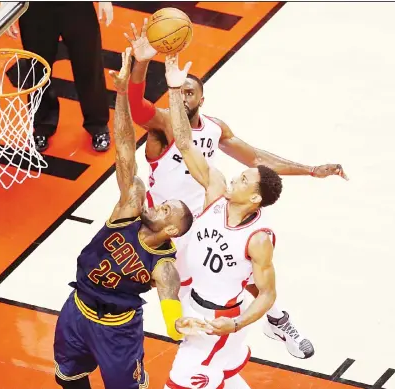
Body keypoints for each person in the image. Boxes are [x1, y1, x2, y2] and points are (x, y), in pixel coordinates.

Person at [125, 19, 348, 359]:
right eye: (179, 89)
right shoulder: (164, 123)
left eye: (190, 91)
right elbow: (136, 107)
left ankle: (276, 319)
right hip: (166, 223)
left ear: (202, 97)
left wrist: (309, 170)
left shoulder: (215, 128)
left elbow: (255, 158)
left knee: (241, 268)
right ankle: (194, 345)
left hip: (203, 215)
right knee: (181, 289)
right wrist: (141, 63)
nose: (184, 95)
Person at [53, 48, 208, 389]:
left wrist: (178, 325)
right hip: (77, 308)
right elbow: (124, 145)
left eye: (167, 209)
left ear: (170, 230)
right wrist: (121, 92)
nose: (159, 204)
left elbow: (170, 304)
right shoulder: (129, 208)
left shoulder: (163, 265)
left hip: (117, 331)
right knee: (68, 377)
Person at [164, 53, 282, 389]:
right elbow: (185, 142)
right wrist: (174, 90)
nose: (236, 179)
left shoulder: (258, 238)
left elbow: (267, 294)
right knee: (218, 379)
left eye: (245, 180)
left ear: (256, 198)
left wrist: (238, 323)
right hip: (194, 304)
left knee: (179, 381)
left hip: (221, 318)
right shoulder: (216, 190)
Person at [14, 2, 114, 152]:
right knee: (37, 69)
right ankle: (42, 125)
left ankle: (98, 124)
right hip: (36, 8)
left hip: (76, 6)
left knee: (89, 63)